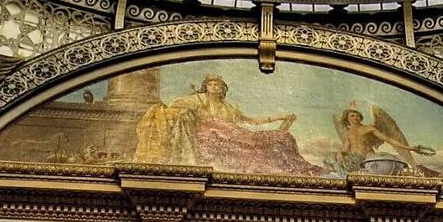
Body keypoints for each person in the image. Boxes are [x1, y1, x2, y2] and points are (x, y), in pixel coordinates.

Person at [135, 74, 323, 174]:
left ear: (224, 89)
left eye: (218, 85)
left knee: (281, 137)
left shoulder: (229, 108)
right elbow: (176, 105)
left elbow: (250, 121)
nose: (215, 87)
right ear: (205, 87)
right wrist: (191, 113)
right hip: (212, 137)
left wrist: (278, 118)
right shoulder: (198, 100)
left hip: (234, 134)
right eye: (211, 84)